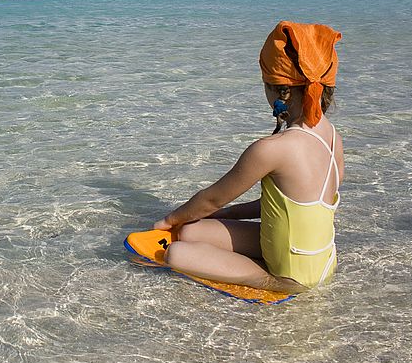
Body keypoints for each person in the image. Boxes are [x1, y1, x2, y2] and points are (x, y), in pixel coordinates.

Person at [147, 21, 343, 294]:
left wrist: (169, 220)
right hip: (321, 260)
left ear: (277, 90)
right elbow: (296, 204)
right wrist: (228, 215)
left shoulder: (272, 148)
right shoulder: (333, 136)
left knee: (176, 254)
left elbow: (211, 199)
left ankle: (274, 283)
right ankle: (274, 270)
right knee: (192, 231)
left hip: (295, 275)